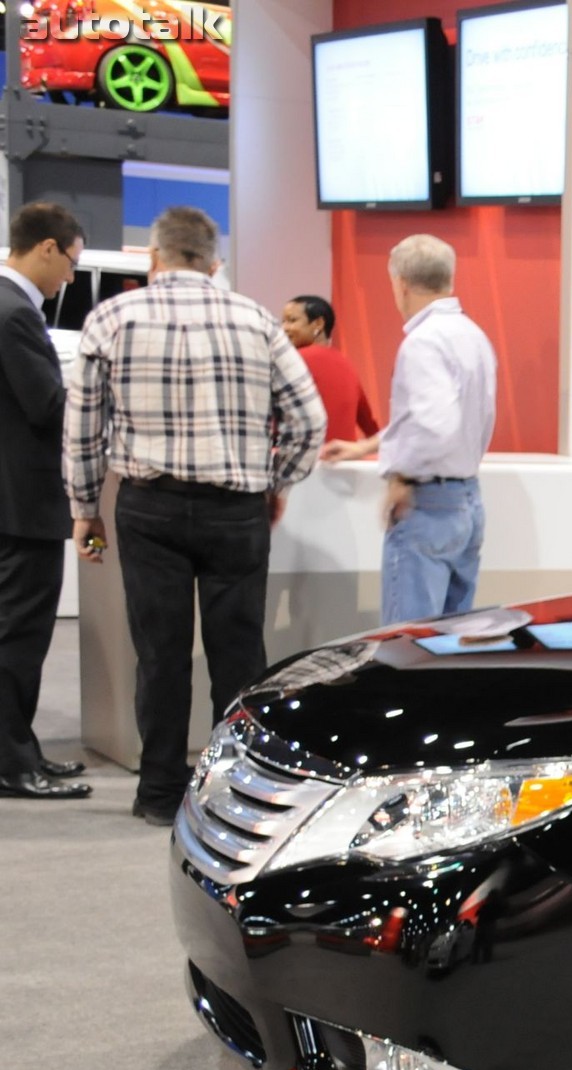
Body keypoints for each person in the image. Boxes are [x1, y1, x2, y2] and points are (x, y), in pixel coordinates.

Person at [67, 206, 323, 827]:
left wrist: (83, 509)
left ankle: (158, 792)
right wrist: (275, 481)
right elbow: (309, 420)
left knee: (160, 653)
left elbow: (82, 428)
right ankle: (236, 794)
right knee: (239, 655)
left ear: (155, 258)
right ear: (215, 262)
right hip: (236, 511)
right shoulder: (258, 318)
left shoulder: (112, 317)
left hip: (148, 508)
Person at [321, 235, 499, 626]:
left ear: (400, 283)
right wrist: (365, 445)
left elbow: (434, 423)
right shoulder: (473, 335)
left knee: (409, 648)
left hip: (428, 505)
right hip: (467, 501)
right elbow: (445, 418)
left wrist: (401, 477)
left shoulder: (423, 342)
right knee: (449, 646)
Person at [0, 201, 88, 802]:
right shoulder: (14, 315)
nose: (72, 279)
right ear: (48, 248)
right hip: (21, 505)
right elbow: (47, 407)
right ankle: (12, 762)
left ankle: (20, 749)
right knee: (19, 636)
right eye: (72, 263)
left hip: (16, 502)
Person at [280, 294, 377, 447]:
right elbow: (371, 427)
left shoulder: (293, 361)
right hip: (342, 462)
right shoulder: (347, 364)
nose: (284, 328)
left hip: (303, 462)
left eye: (292, 320)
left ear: (318, 323)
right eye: (283, 321)